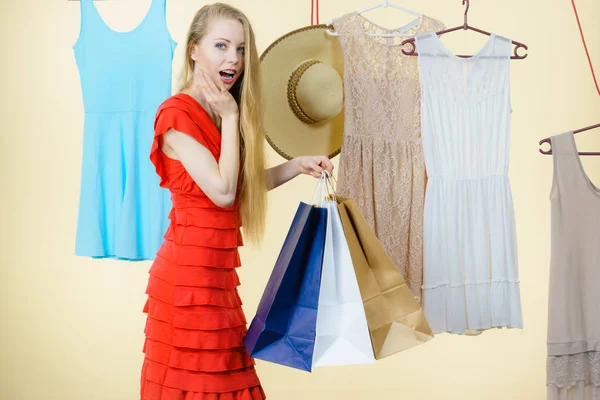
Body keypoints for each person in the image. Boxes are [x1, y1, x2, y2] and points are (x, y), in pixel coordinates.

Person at [139, 3, 334, 399]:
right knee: (198, 385)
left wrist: (295, 165)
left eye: (242, 49)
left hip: (218, 277)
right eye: (221, 45)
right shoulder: (176, 114)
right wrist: (230, 118)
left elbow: (240, 186)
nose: (234, 58)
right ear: (194, 49)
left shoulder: (224, 111)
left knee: (228, 382)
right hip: (188, 281)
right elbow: (223, 192)